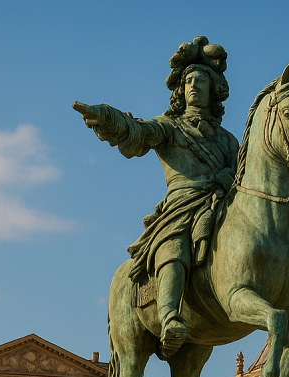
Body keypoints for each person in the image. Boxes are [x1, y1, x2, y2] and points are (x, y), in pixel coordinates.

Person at [74, 36, 238, 357]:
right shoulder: (169, 127)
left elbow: (246, 173)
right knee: (174, 243)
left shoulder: (228, 140)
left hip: (221, 204)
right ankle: (169, 316)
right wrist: (108, 117)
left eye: (201, 80)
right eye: (189, 80)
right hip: (181, 206)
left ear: (212, 90)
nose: (194, 85)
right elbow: (138, 132)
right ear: (181, 89)